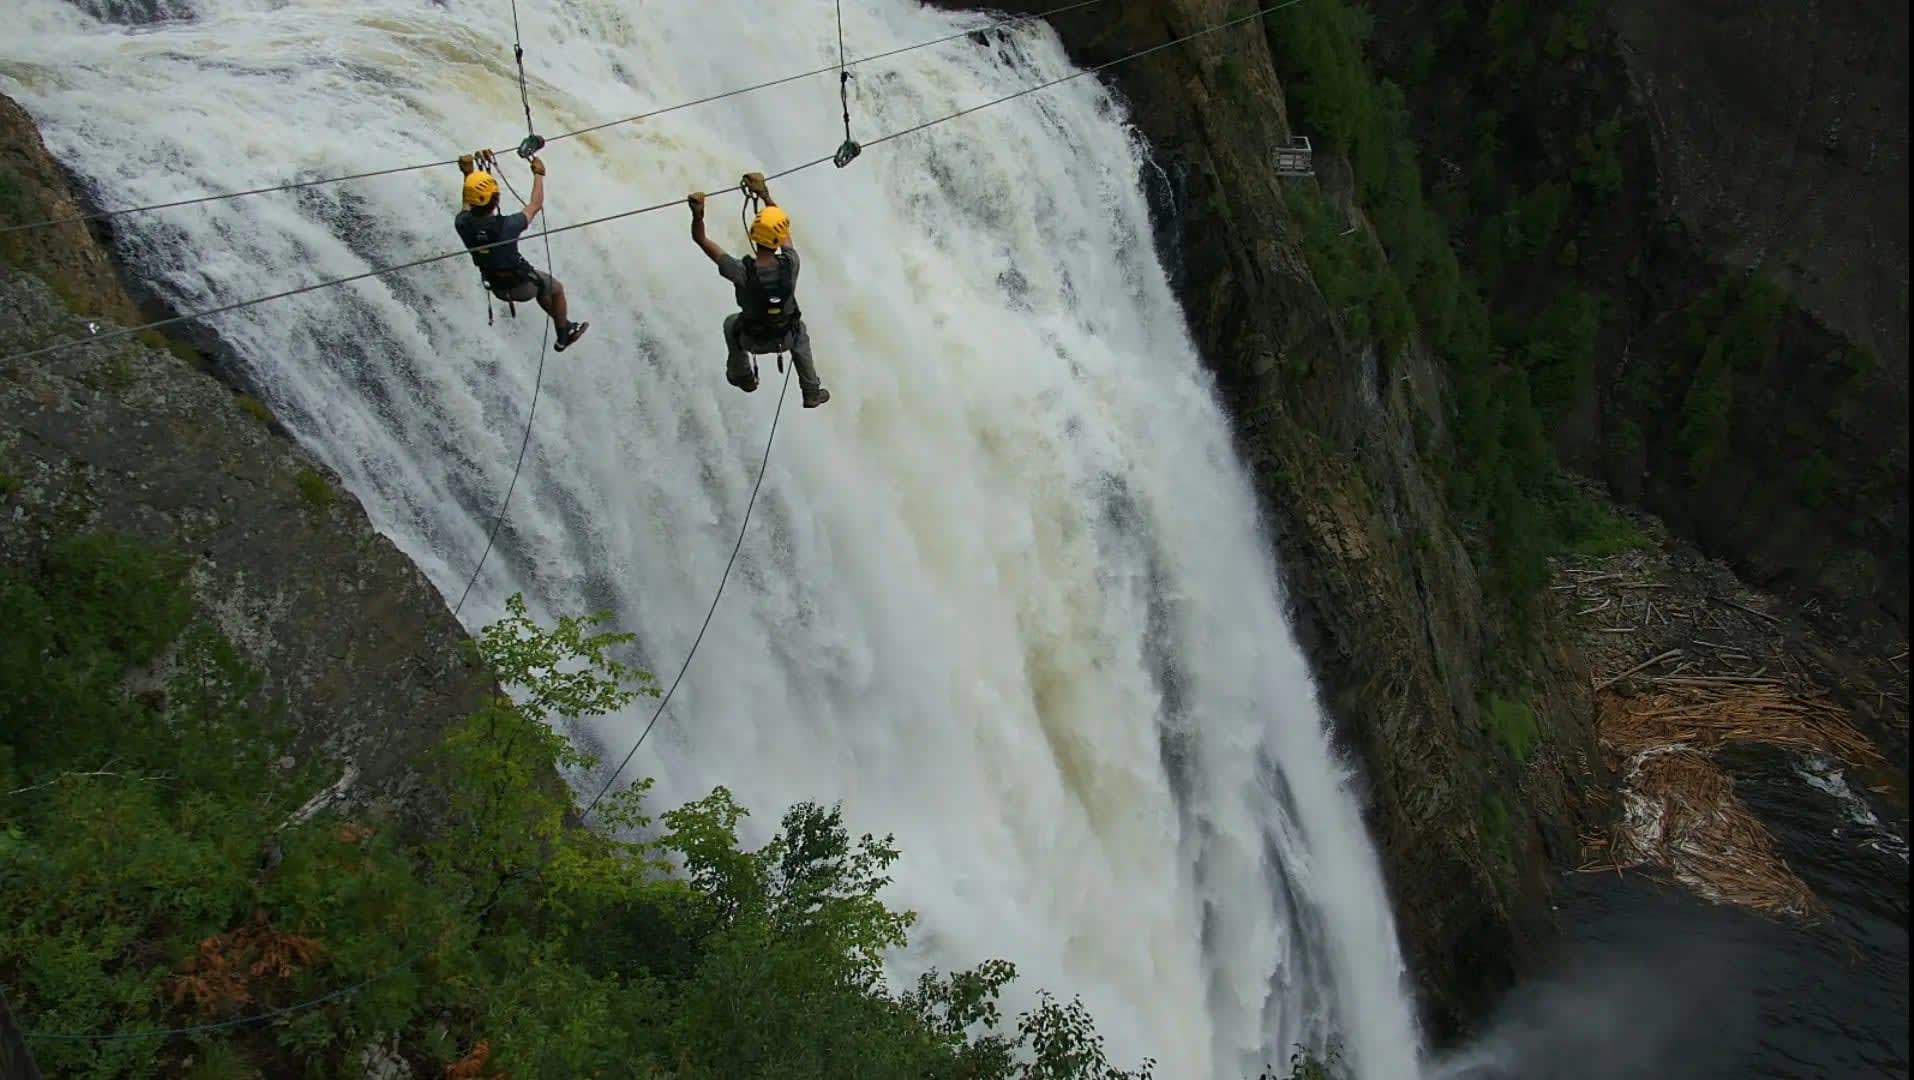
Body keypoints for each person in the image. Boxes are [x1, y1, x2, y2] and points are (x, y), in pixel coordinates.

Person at [686, 172, 830, 407]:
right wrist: (764, 195)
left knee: (730, 323)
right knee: (800, 330)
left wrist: (698, 214)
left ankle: (743, 376)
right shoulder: (791, 264)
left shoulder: (739, 271)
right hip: (785, 338)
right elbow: (783, 231)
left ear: (753, 235)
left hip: (752, 339)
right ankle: (811, 390)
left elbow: (701, 239)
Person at [455, 150, 588, 351]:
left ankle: (565, 324)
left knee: (544, 287)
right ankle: (563, 336)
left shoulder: (462, 223)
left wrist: (468, 173)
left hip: (497, 286)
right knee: (556, 289)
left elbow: (468, 204)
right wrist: (539, 175)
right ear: (496, 200)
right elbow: (535, 204)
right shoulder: (508, 225)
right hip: (522, 285)